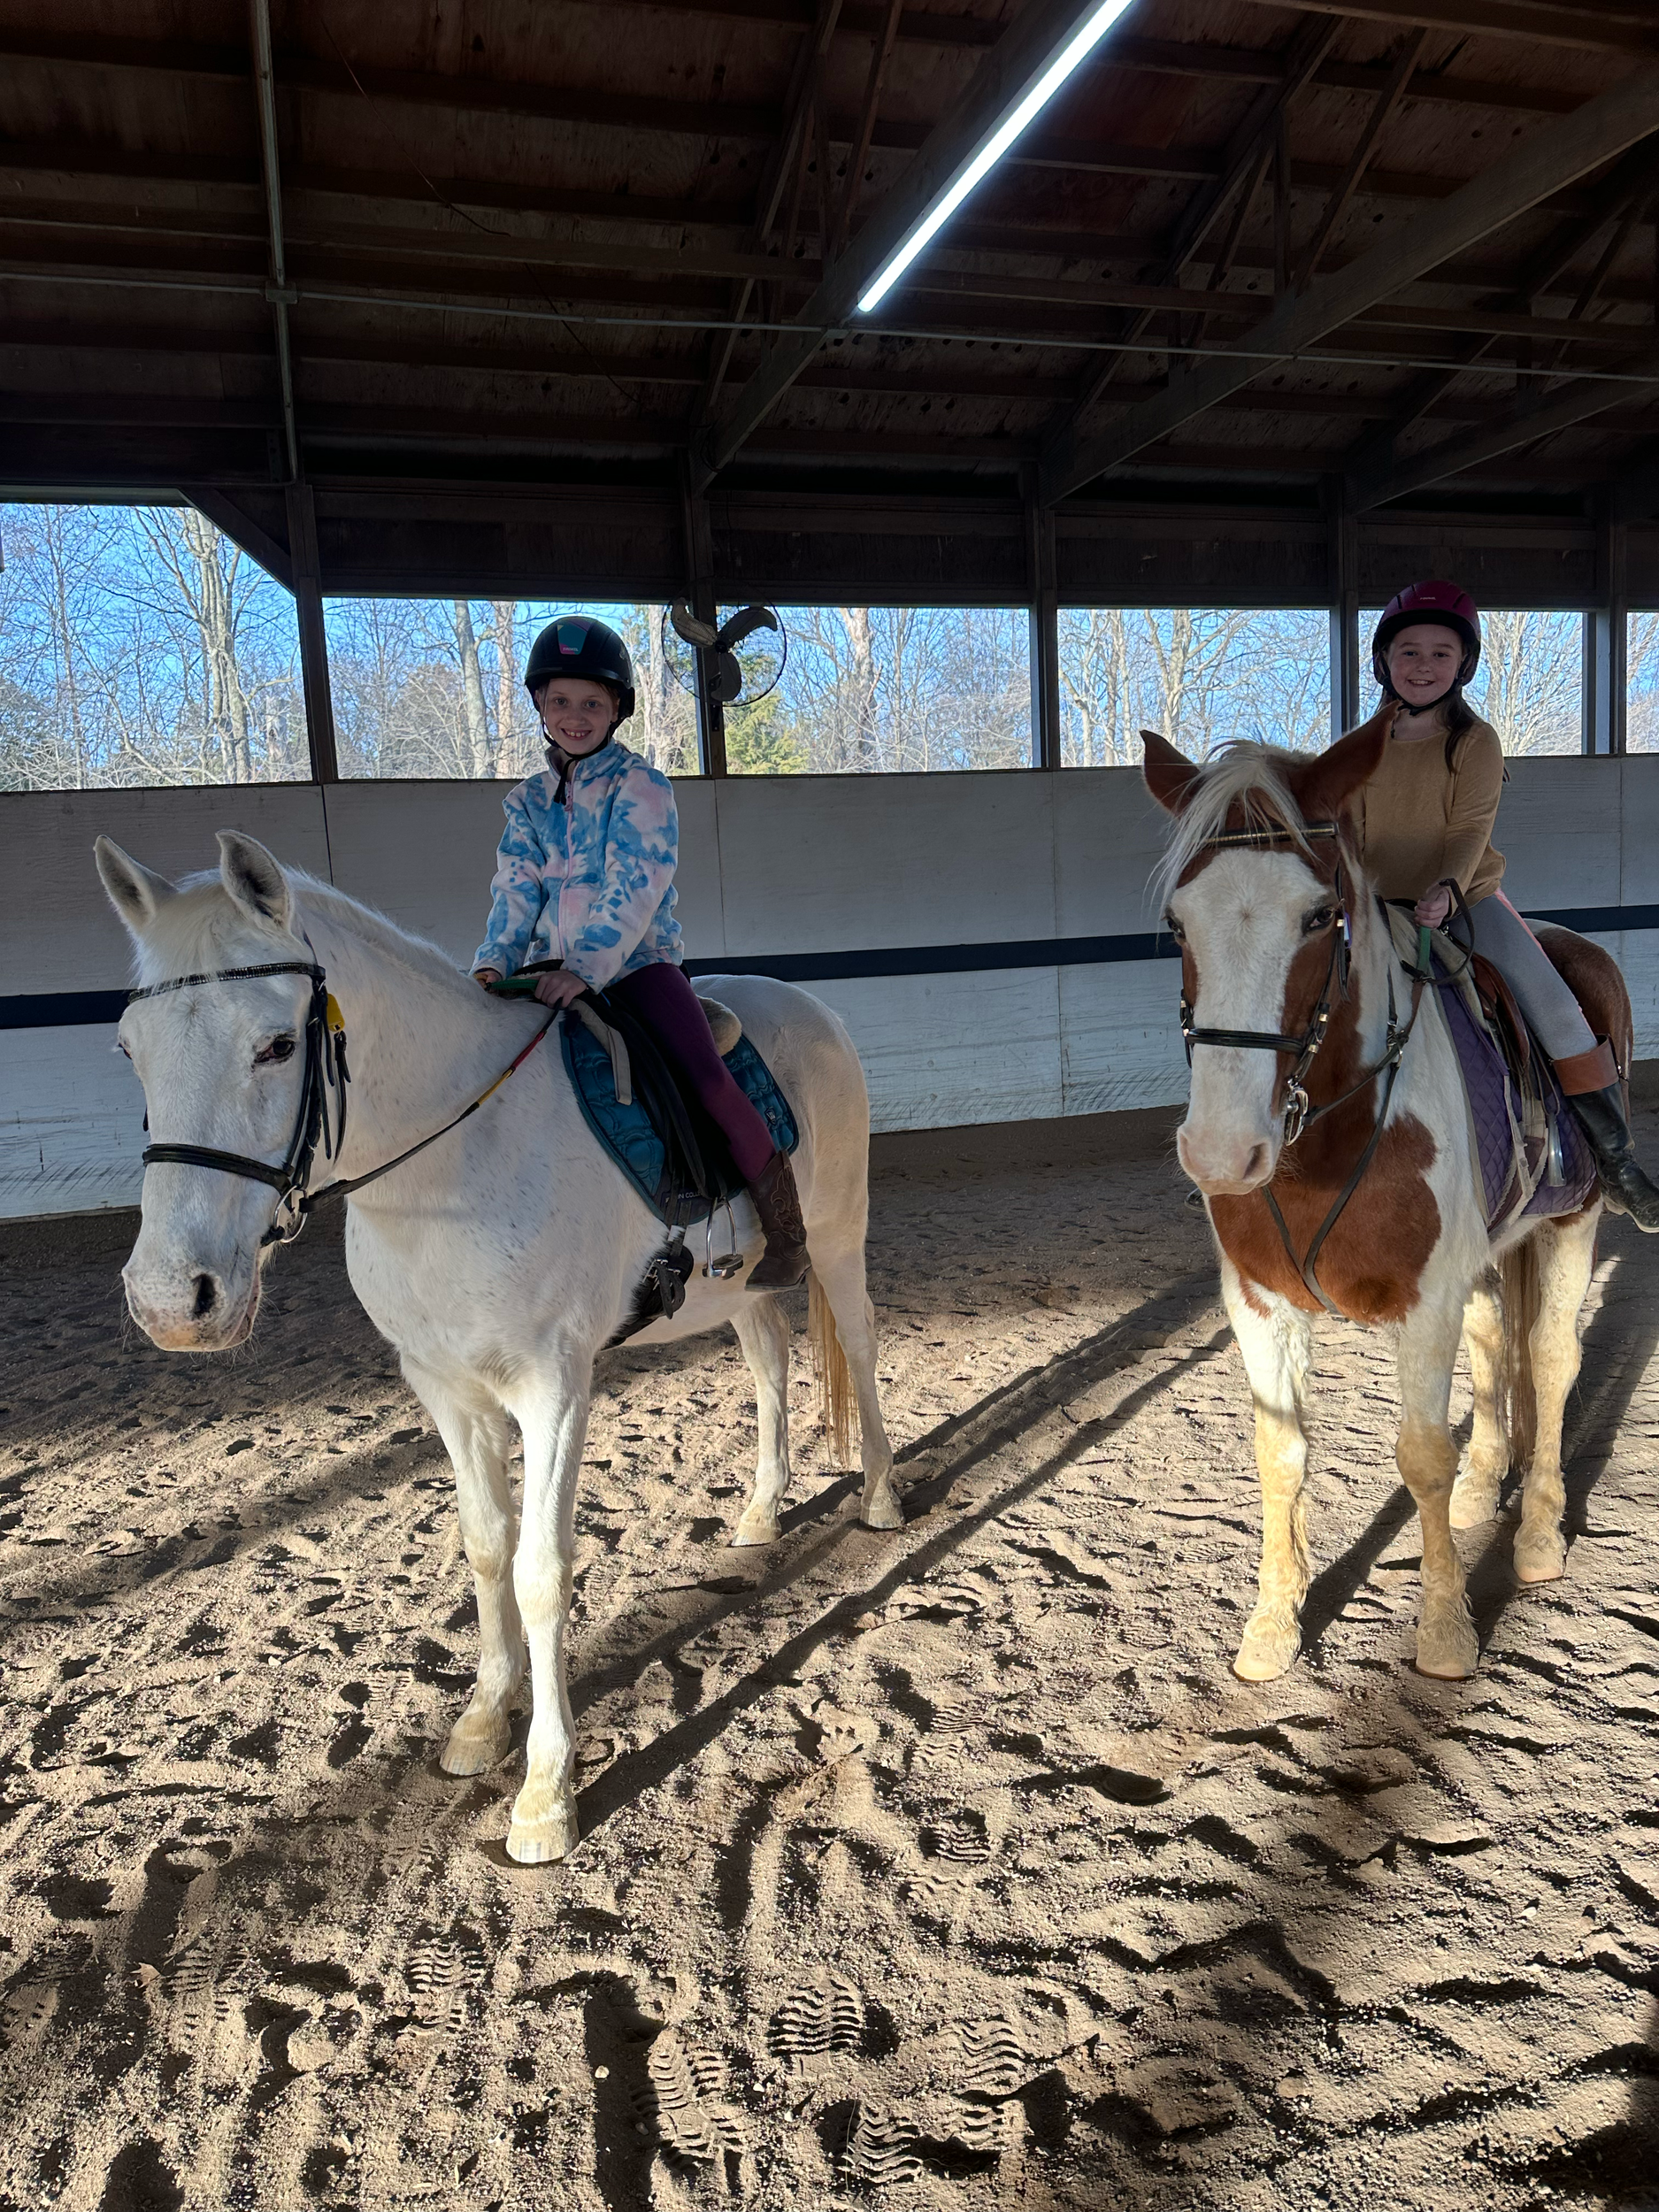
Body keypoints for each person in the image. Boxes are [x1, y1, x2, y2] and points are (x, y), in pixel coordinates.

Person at [472, 614, 809, 1287]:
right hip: (545, 973)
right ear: (539, 703)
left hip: (633, 965)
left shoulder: (643, 787)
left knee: (704, 1076)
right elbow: (515, 892)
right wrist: (494, 961)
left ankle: (786, 1234)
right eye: (561, 701)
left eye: (592, 703)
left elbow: (635, 885)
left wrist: (584, 969)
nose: (576, 716)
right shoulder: (526, 804)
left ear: (616, 709)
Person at [1359, 579, 1659, 1231]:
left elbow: (1469, 827)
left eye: (1440, 653)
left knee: (1555, 1008)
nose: (1422, 665)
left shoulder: (1473, 741)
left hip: (1464, 902)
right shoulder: (1358, 745)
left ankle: (1617, 1164)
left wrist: (1446, 888)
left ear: (1462, 665)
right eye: (1408, 651)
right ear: (1382, 661)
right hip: (1373, 906)